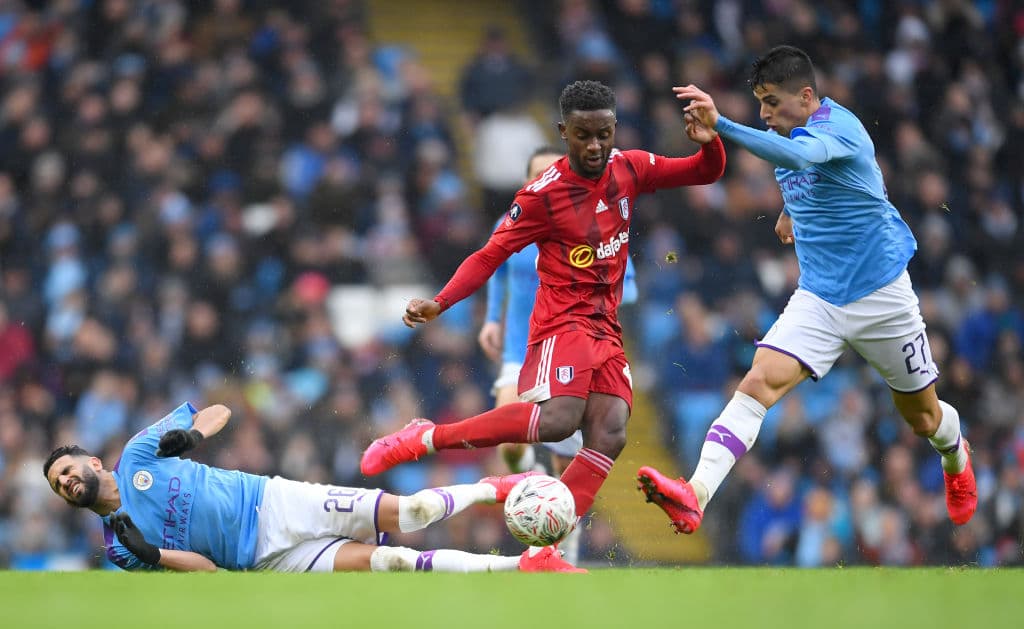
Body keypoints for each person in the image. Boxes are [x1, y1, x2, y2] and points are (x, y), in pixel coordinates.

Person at [360, 80, 726, 561]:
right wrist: (440, 302)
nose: (595, 146)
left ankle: (544, 553)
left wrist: (712, 139)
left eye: (604, 134)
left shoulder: (630, 167)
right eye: (582, 135)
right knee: (557, 422)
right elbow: (490, 254)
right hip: (562, 322)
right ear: (563, 131)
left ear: (614, 129)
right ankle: (425, 436)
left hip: (606, 327)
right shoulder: (542, 195)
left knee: (612, 430)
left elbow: (705, 173)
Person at [636, 45, 976, 535]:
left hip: (881, 297)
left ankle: (955, 454)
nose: (764, 114)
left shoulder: (840, 128)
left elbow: (804, 155)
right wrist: (791, 209)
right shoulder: (788, 135)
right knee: (756, 384)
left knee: (922, 419)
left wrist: (723, 126)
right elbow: (811, 175)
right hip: (818, 298)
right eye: (759, 103)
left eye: (771, 102)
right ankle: (696, 494)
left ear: (807, 96)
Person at [43, 401, 584, 573]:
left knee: (415, 511)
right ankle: (524, 565)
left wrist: (191, 433)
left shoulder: (139, 453)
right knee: (390, 564)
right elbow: (207, 572)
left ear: (92, 462)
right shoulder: (120, 547)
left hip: (272, 501)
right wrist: (155, 555)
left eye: (68, 471)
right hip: (259, 560)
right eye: (58, 485)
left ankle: (494, 485)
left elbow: (219, 410)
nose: (67, 482)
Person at [478, 145, 640, 565]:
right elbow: (497, 268)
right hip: (522, 346)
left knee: (568, 460)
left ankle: (562, 544)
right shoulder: (514, 219)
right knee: (512, 440)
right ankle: (531, 469)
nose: (545, 181)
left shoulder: (595, 223)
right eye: (536, 174)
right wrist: (492, 319)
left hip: (573, 350)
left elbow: (626, 281)